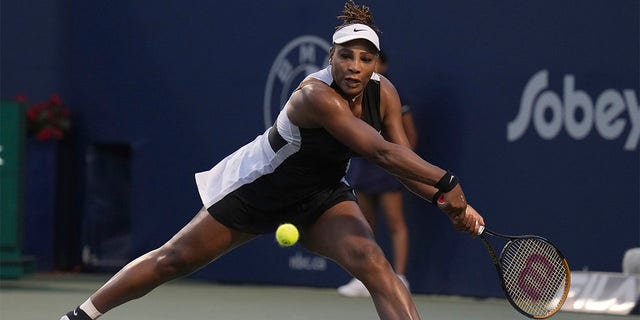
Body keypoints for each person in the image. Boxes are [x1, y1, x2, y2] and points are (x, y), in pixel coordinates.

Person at [59, 1, 484, 319]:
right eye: (345, 56)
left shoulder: (383, 93)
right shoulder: (315, 96)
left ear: (375, 63)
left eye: (365, 58)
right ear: (330, 57)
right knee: (172, 260)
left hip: (322, 197)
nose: (354, 67)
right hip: (257, 191)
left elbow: (401, 161)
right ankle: (81, 315)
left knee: (373, 262)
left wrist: (449, 205)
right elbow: (379, 152)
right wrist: (449, 184)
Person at [338, 51, 418, 297]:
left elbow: (410, 137)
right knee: (365, 223)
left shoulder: (391, 93)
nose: (359, 66)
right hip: (364, 165)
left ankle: (400, 278)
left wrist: (399, 161)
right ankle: (364, 278)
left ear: (380, 64)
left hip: (388, 168)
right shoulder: (351, 94)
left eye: (368, 61)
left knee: (395, 222)